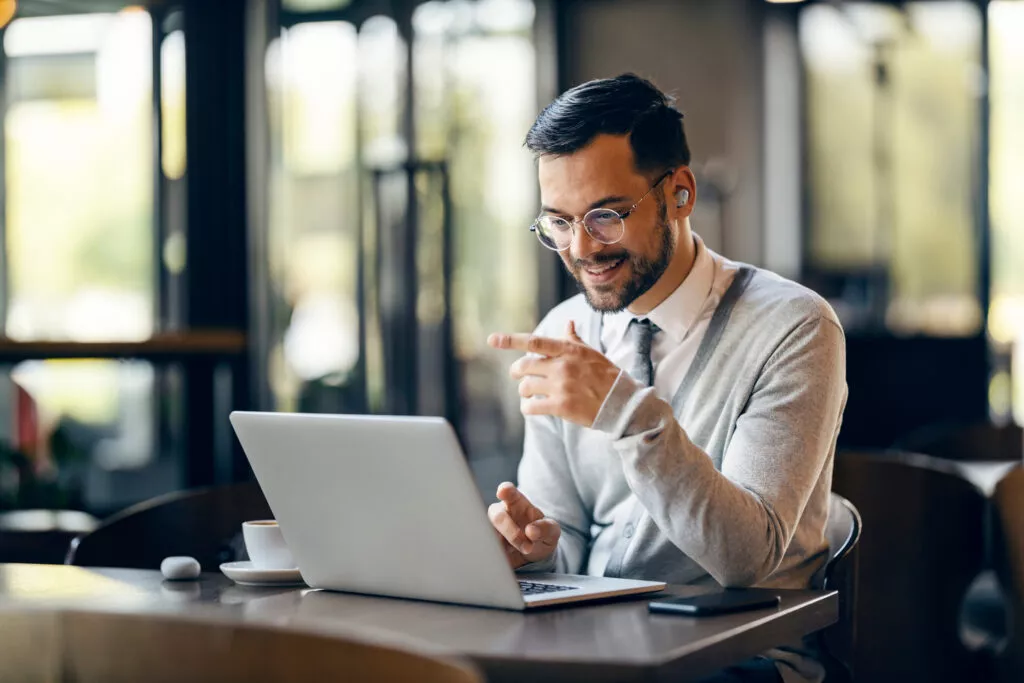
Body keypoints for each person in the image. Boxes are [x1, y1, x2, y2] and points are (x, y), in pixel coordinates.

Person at [486, 74, 847, 683]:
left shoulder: (794, 326)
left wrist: (627, 414)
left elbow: (747, 558)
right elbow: (563, 536)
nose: (582, 249)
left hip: (740, 656)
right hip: (597, 645)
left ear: (679, 193)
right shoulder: (563, 329)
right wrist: (535, 548)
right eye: (559, 223)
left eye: (605, 216)